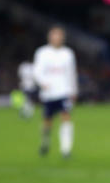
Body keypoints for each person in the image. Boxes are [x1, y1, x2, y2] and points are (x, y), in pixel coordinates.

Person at [33, 26, 78, 158]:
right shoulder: (42, 53)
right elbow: (37, 71)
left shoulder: (68, 53)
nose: (57, 38)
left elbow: (71, 73)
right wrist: (43, 83)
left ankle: (66, 150)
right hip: (49, 93)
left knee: (66, 117)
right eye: (54, 35)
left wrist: (74, 90)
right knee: (48, 120)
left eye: (59, 36)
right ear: (49, 37)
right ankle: (45, 143)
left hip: (64, 92)